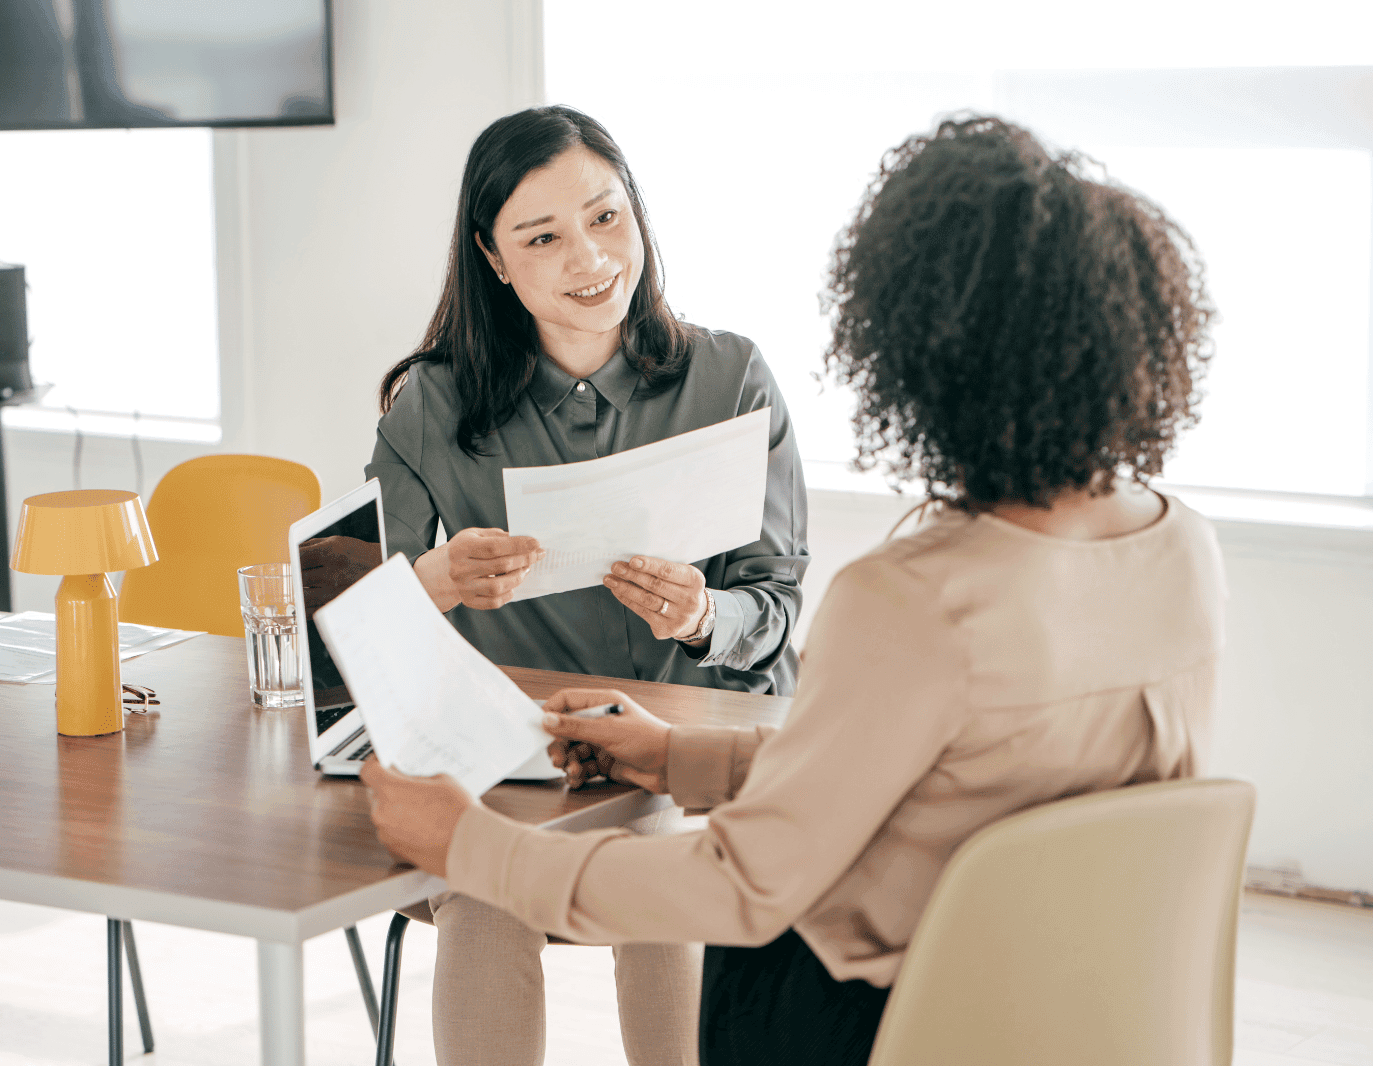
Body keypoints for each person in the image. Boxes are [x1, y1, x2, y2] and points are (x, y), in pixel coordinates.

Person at [359, 115, 1225, 1066]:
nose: (587, 256)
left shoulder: (909, 599)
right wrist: (678, 755)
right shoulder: (1184, 548)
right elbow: (935, 782)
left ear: (904, 354)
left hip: (884, 1020)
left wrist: (470, 847)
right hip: (1078, 1013)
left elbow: (741, 885)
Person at [309, 105, 808, 1066]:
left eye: (607, 216)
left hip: (679, 752)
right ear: (495, 261)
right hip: (512, 764)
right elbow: (348, 628)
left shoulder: (732, 377)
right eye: (543, 237)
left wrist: (706, 614)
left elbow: (777, 607)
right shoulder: (433, 406)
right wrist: (434, 582)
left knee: (666, 875)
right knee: (489, 891)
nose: (590, 257)